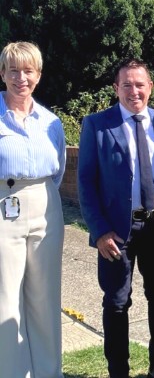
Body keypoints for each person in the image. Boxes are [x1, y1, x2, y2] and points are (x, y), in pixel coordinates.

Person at [78, 58, 154, 378]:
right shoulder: (97, 125)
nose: (134, 91)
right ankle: (118, 371)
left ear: (151, 87)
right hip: (115, 232)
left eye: (140, 84)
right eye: (126, 84)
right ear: (116, 88)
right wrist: (99, 231)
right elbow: (85, 181)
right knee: (116, 302)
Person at [0, 41, 66, 378]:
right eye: (13, 70)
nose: (20, 78)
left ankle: (48, 371)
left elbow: (58, 171)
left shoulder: (51, 122)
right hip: (3, 208)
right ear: (3, 74)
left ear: (38, 76)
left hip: (44, 205)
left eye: (28, 70)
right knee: (5, 295)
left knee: (44, 295)